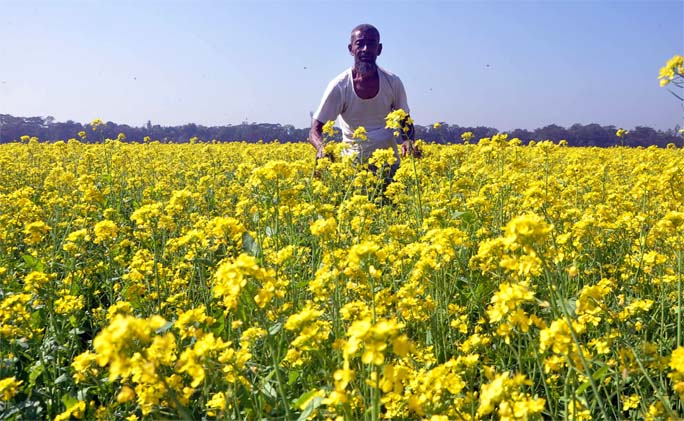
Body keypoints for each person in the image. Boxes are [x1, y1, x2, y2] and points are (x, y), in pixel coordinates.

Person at [309, 24, 416, 175]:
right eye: (360, 44)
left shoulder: (393, 82)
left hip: (388, 166)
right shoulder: (339, 86)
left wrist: (408, 141)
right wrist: (322, 148)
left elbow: (405, 121)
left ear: (379, 49)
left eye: (371, 44)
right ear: (351, 49)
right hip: (353, 169)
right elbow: (315, 130)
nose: (366, 49)